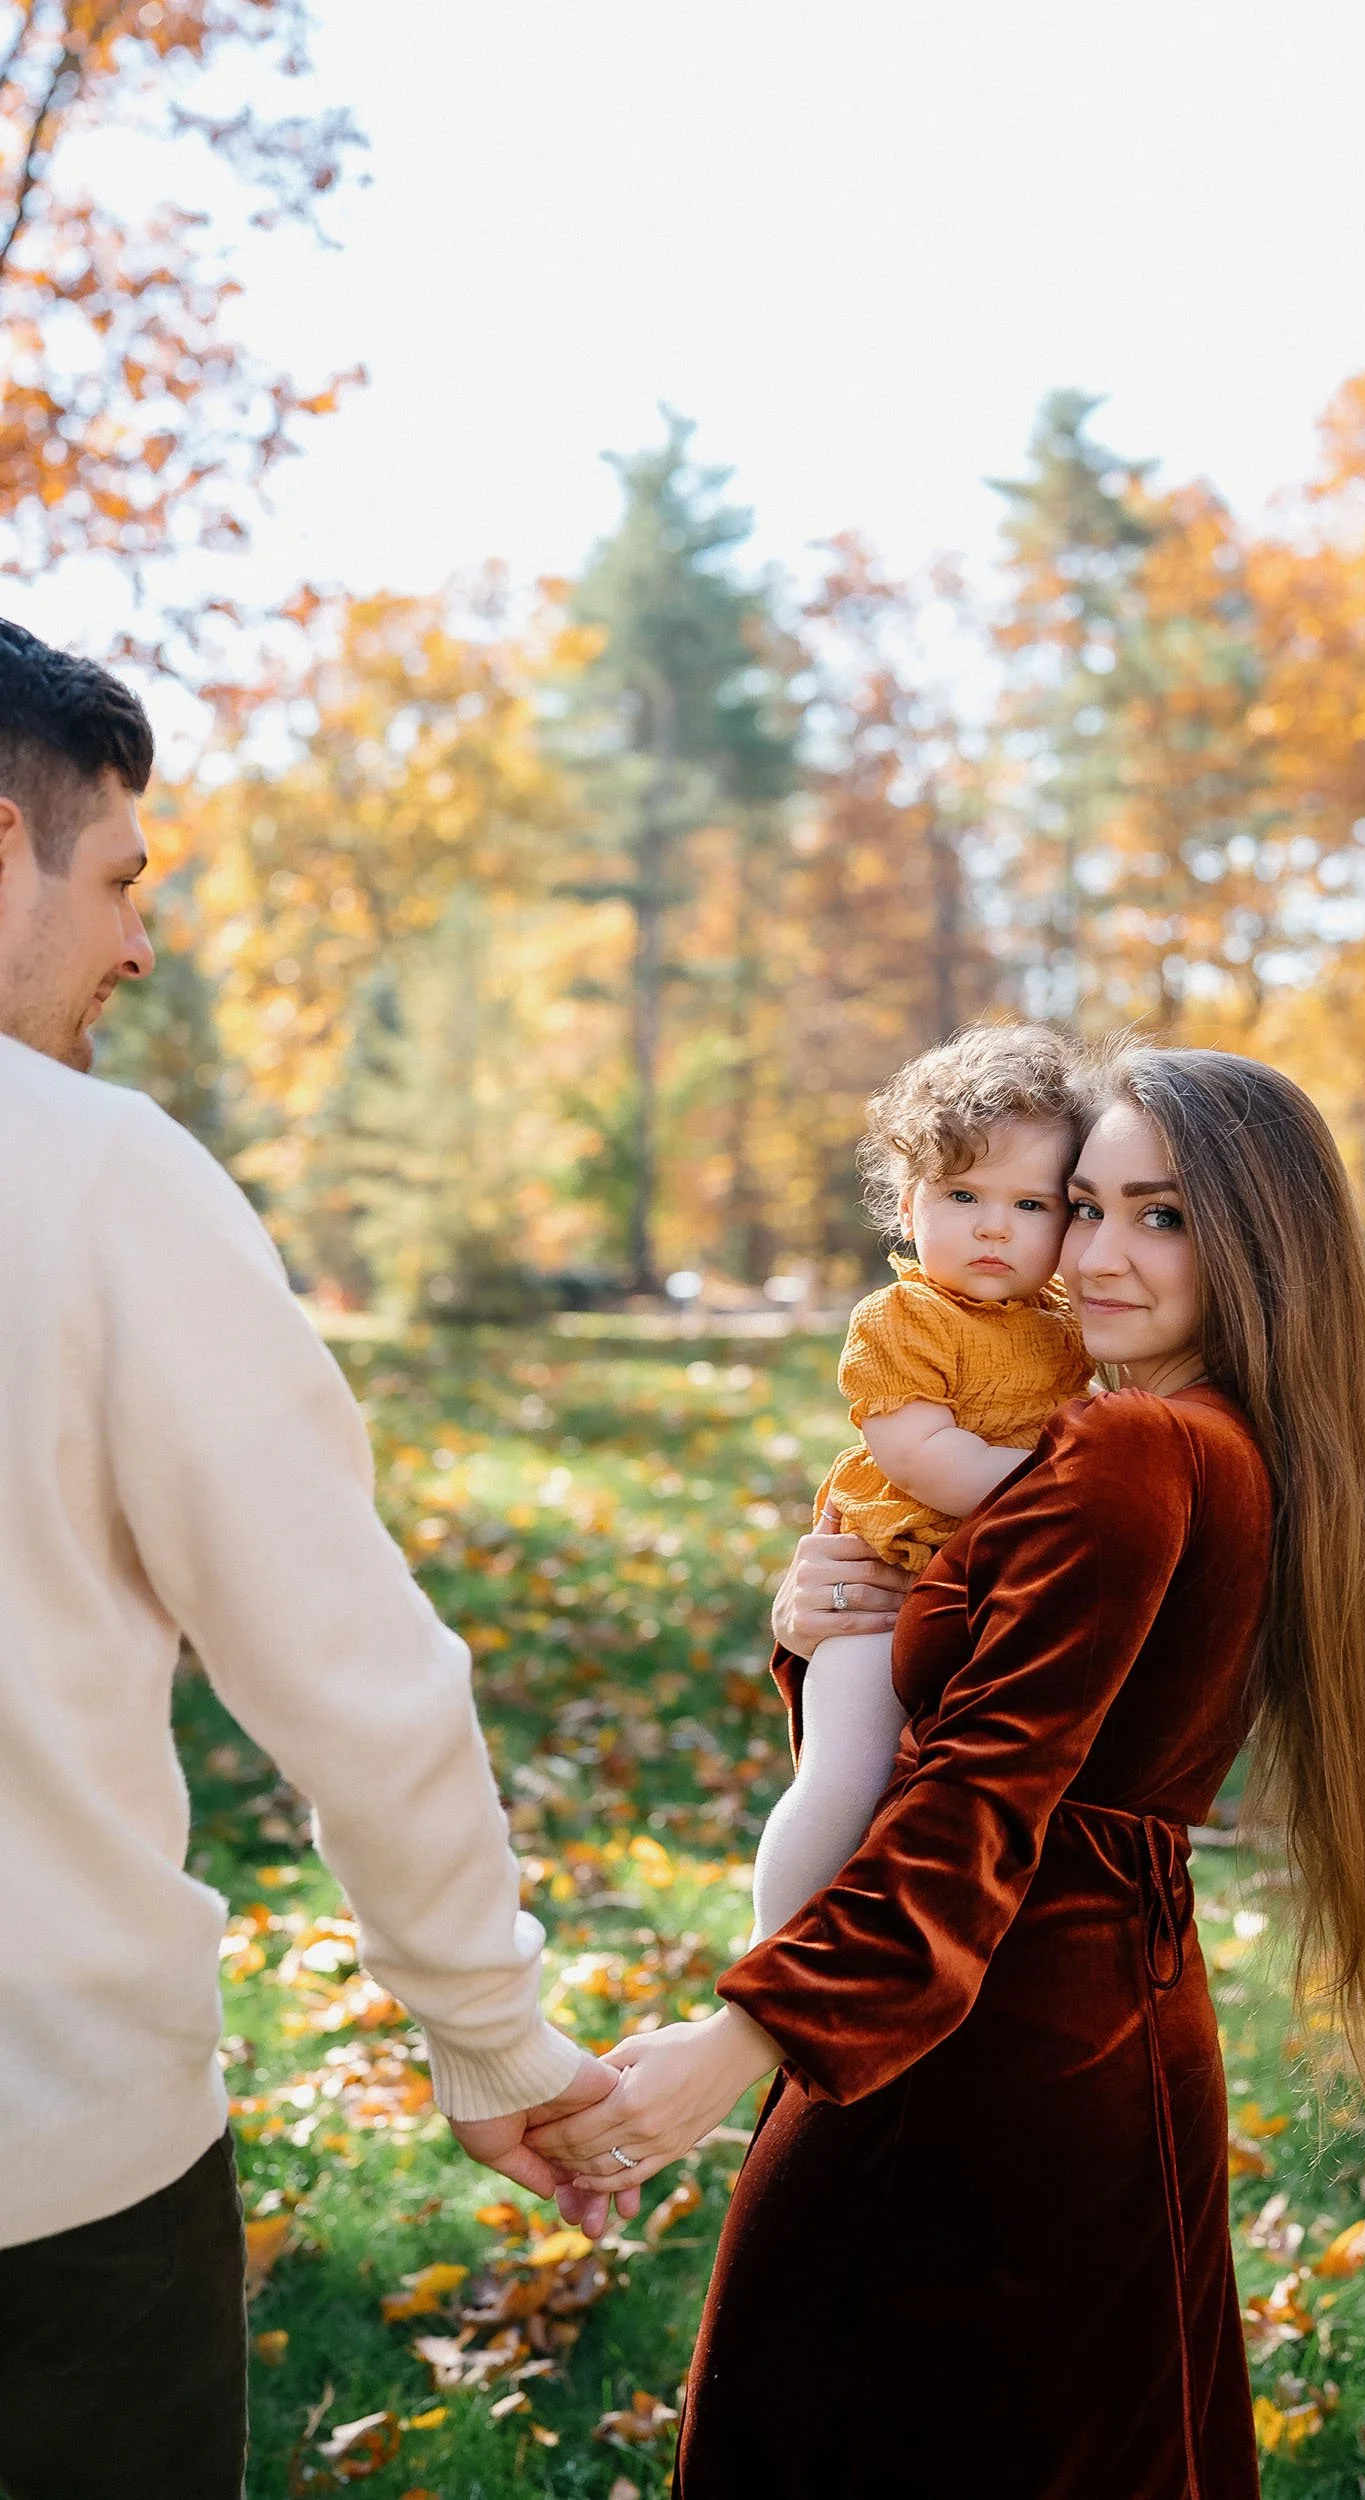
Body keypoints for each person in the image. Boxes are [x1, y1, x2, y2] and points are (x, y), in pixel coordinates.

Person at [533, 1042, 1365, 2500]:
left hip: (971, 2063)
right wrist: (826, 1628)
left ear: (1255, 1241)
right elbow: (993, 1723)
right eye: (1081, 1207)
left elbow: (978, 1800)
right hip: (1097, 2035)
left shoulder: (1122, 1451)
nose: (1096, 1255)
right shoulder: (1219, 1440)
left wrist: (740, 2043)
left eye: (1158, 1215)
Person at [0, 620, 622, 2500]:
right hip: (49, 2201)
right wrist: (493, 2038)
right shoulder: (99, 1177)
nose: (141, 942)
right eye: (118, 879)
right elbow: (356, 1688)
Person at [750, 1026, 1090, 1937]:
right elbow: (923, 1456)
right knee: (846, 1776)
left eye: (1030, 1204)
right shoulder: (902, 1316)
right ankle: (768, 1961)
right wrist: (1057, 1484)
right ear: (908, 1205)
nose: (992, 1226)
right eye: (962, 1194)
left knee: (948, 1809)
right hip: (886, 1587)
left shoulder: (1065, 1326)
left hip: (993, 1595)